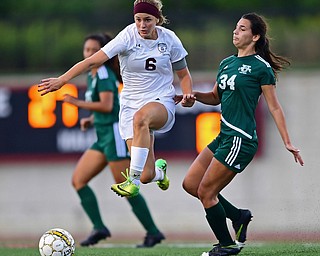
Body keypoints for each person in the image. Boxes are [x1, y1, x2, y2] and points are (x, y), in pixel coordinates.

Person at [38, 0, 194, 198]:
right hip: (130, 104)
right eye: (138, 19)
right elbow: (92, 61)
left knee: (141, 119)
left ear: (158, 20)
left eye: (148, 20)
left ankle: (132, 181)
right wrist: (62, 80)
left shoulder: (169, 39)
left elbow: (184, 75)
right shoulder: (127, 36)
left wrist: (188, 94)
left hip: (160, 100)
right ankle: (159, 172)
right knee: (147, 174)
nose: (142, 25)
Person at [180, 13, 304, 256]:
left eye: (242, 29)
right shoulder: (226, 63)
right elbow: (215, 97)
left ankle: (226, 246)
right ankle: (239, 216)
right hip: (224, 136)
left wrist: (287, 141)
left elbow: (275, 106)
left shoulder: (261, 68)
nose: (236, 32)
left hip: (241, 139)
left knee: (206, 192)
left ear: (255, 36)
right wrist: (192, 96)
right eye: (236, 28)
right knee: (191, 184)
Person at [61, 33, 165, 247]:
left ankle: (153, 232)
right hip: (102, 136)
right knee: (79, 180)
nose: (89, 54)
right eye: (87, 50)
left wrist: (76, 103)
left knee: (126, 185)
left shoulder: (103, 74)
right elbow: (108, 107)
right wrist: (91, 119)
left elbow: (108, 106)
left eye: (93, 50)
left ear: (102, 53)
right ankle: (99, 227)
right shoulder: (93, 74)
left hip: (115, 134)